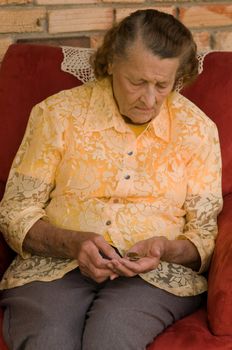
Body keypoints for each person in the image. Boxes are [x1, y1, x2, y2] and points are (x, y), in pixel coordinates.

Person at [0, 9, 222, 350]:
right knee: (49, 342)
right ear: (110, 64)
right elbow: (16, 211)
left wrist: (164, 250)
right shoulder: (57, 114)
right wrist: (72, 242)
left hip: (152, 278)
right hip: (53, 267)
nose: (149, 100)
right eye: (137, 82)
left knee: (112, 338)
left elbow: (204, 234)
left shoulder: (197, 131)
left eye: (163, 85)